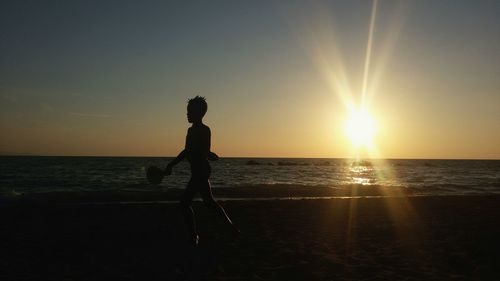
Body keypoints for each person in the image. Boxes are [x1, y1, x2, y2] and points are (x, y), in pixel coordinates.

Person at [164, 96, 239, 246]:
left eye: (190, 111)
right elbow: (186, 151)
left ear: (199, 113)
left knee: (184, 204)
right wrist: (171, 164)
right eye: (187, 111)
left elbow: (204, 150)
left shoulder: (205, 130)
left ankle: (194, 236)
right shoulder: (190, 130)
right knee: (209, 202)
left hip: (201, 171)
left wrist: (209, 155)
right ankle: (231, 229)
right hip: (198, 171)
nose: (187, 114)